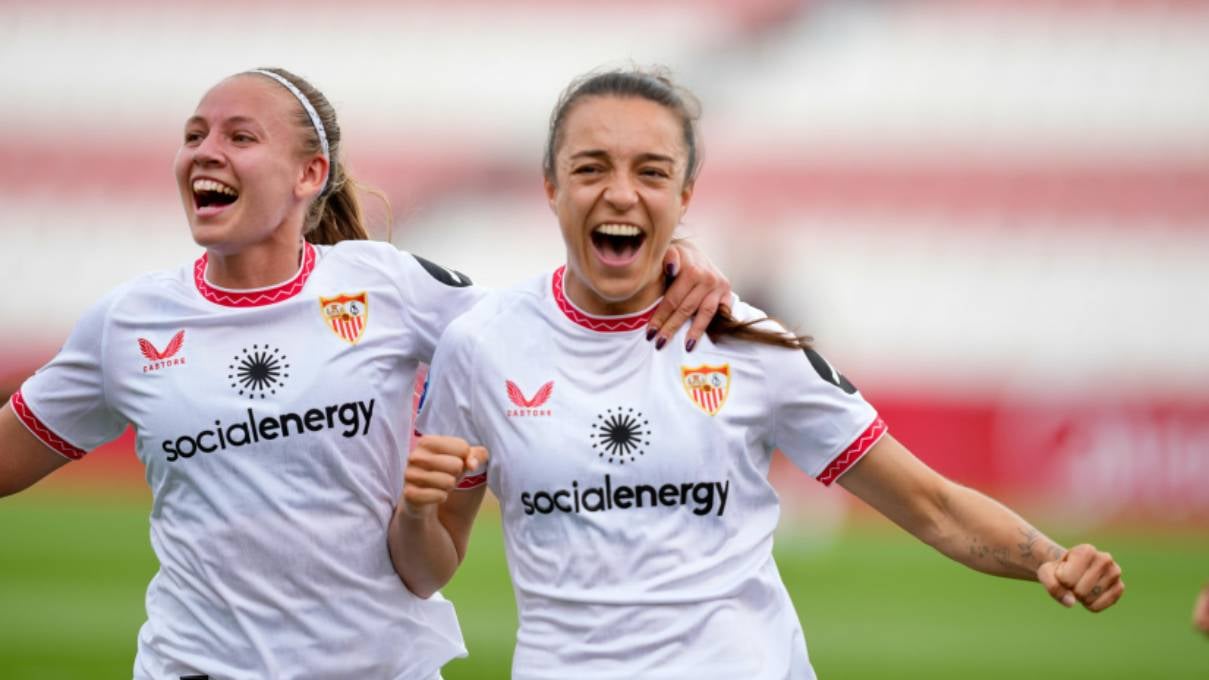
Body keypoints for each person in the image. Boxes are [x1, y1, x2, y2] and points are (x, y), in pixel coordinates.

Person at [392, 67, 1127, 680]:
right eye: (590, 168)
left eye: (651, 171)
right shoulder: (480, 345)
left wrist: (1050, 561)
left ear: (683, 196)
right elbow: (426, 571)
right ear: (551, 187)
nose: (620, 193)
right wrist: (418, 510)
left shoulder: (750, 345)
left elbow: (930, 505)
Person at [0, 67, 731, 679]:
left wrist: (672, 265)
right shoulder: (127, 323)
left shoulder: (392, 286)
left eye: (239, 136)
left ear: (309, 174)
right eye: (194, 135)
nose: (205, 151)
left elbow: (555, 329)